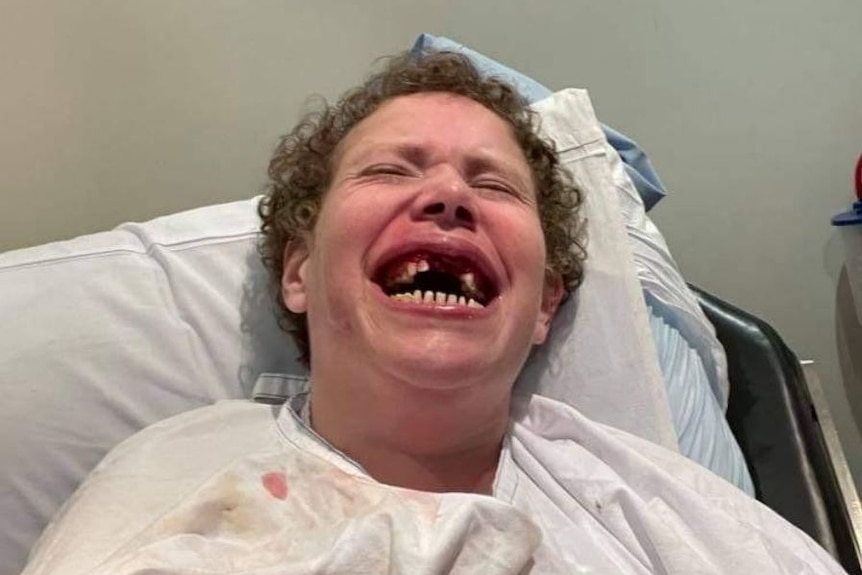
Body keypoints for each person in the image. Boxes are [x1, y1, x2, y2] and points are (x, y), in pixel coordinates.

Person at [22, 51, 847, 574]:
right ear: (301, 271)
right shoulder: (168, 477)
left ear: (543, 305)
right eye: (389, 170)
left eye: (492, 185)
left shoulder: (655, 506)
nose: (449, 194)